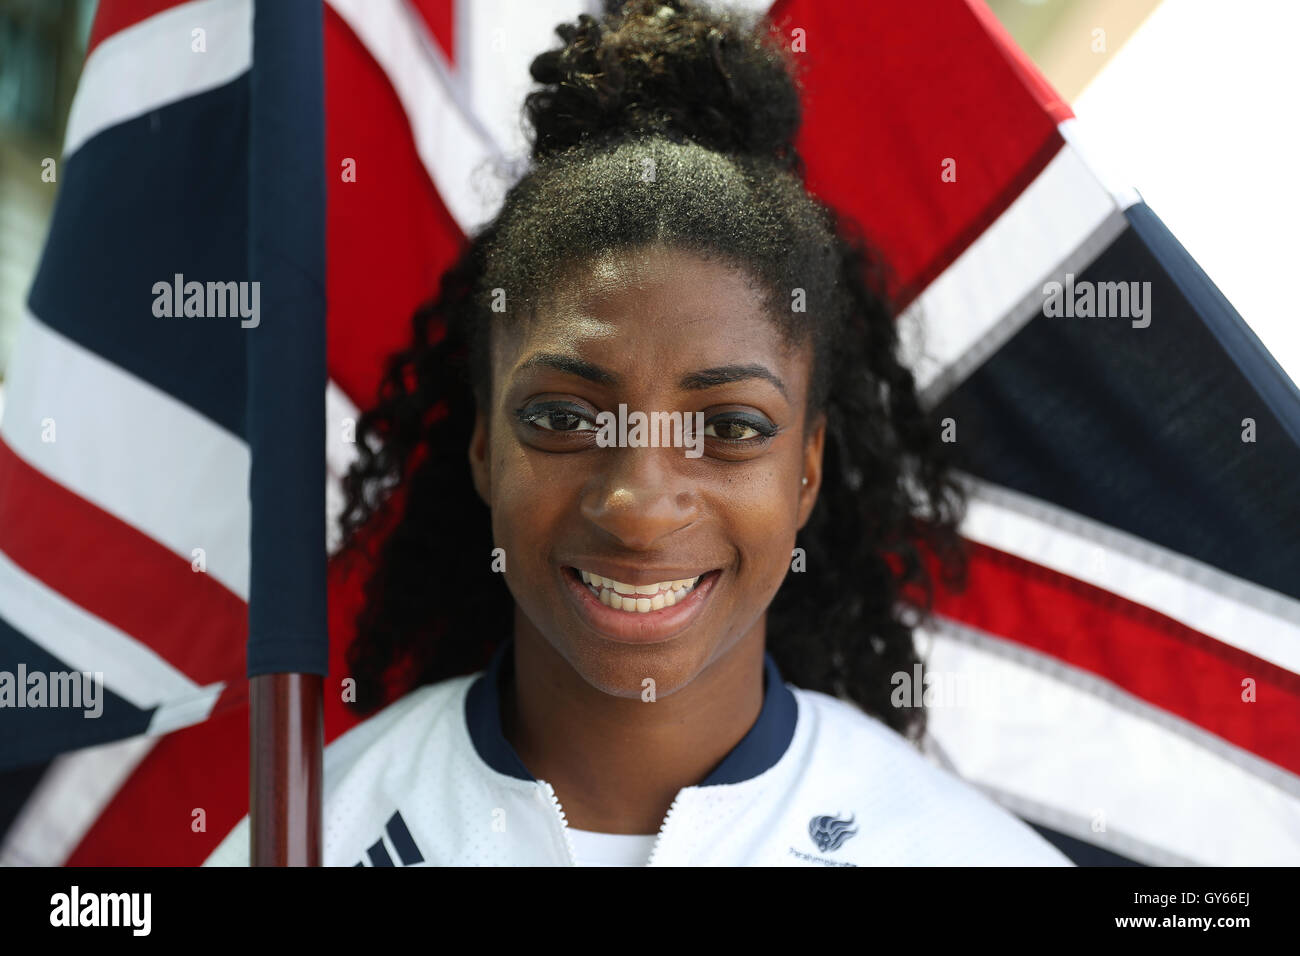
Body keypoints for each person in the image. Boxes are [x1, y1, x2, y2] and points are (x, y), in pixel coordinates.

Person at [207, 0, 1070, 867]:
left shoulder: (958, 851)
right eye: (562, 419)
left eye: (729, 427)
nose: (639, 506)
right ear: (483, 447)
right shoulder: (309, 838)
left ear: (807, 471)